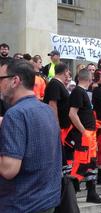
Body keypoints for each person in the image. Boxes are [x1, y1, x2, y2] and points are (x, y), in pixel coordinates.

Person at [0, 59, 62, 212]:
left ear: (15, 80)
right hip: (47, 201)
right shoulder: (47, 110)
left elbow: (9, 169)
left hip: (21, 205)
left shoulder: (15, 114)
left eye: (1, 79)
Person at [66, 68, 101, 203]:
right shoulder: (78, 92)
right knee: (81, 164)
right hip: (84, 135)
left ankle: (91, 192)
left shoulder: (81, 92)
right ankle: (70, 195)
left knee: (91, 163)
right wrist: (83, 131)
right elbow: (72, 113)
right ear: (89, 79)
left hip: (89, 134)